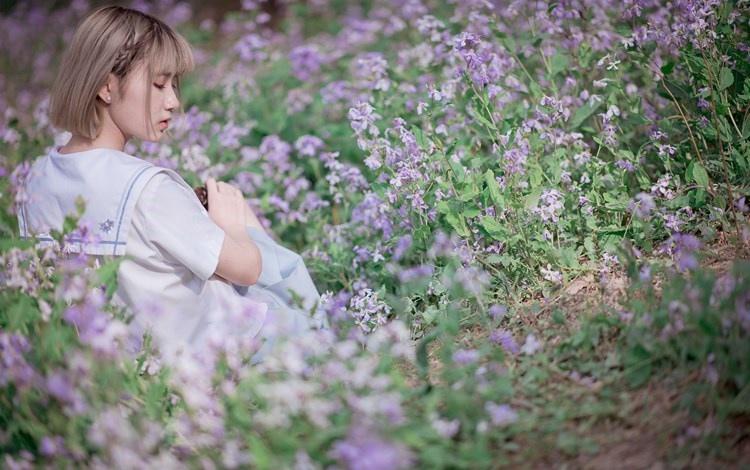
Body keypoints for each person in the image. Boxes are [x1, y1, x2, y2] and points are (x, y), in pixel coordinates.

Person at [16, 5, 325, 363]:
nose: (174, 101)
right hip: (221, 353)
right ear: (105, 86)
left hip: (123, 364)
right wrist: (234, 225)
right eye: (159, 84)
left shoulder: (35, 177)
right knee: (314, 322)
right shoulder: (148, 187)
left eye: (174, 85)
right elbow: (247, 268)